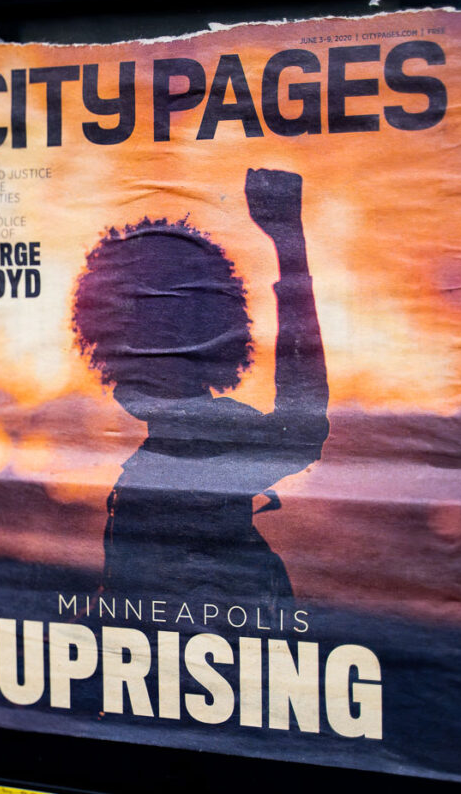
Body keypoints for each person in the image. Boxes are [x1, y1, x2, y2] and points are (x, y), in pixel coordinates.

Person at [71, 168, 329, 618]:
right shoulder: (157, 454)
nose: (123, 381)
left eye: (145, 351)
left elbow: (302, 428)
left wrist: (290, 245)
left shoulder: (203, 440)